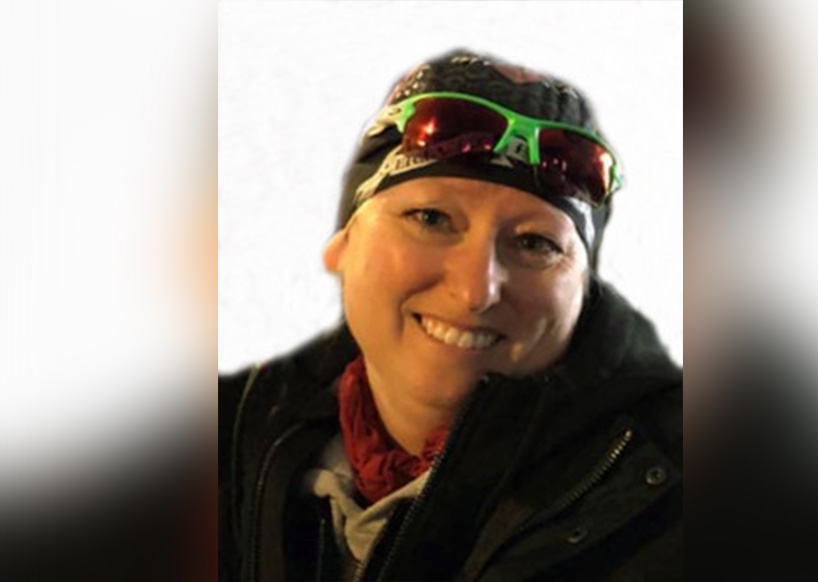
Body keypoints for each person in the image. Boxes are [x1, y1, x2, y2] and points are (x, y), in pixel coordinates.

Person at [219, 49, 682, 582]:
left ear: (583, 293)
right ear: (343, 244)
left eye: (535, 243)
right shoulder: (228, 440)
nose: (475, 291)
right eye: (431, 218)